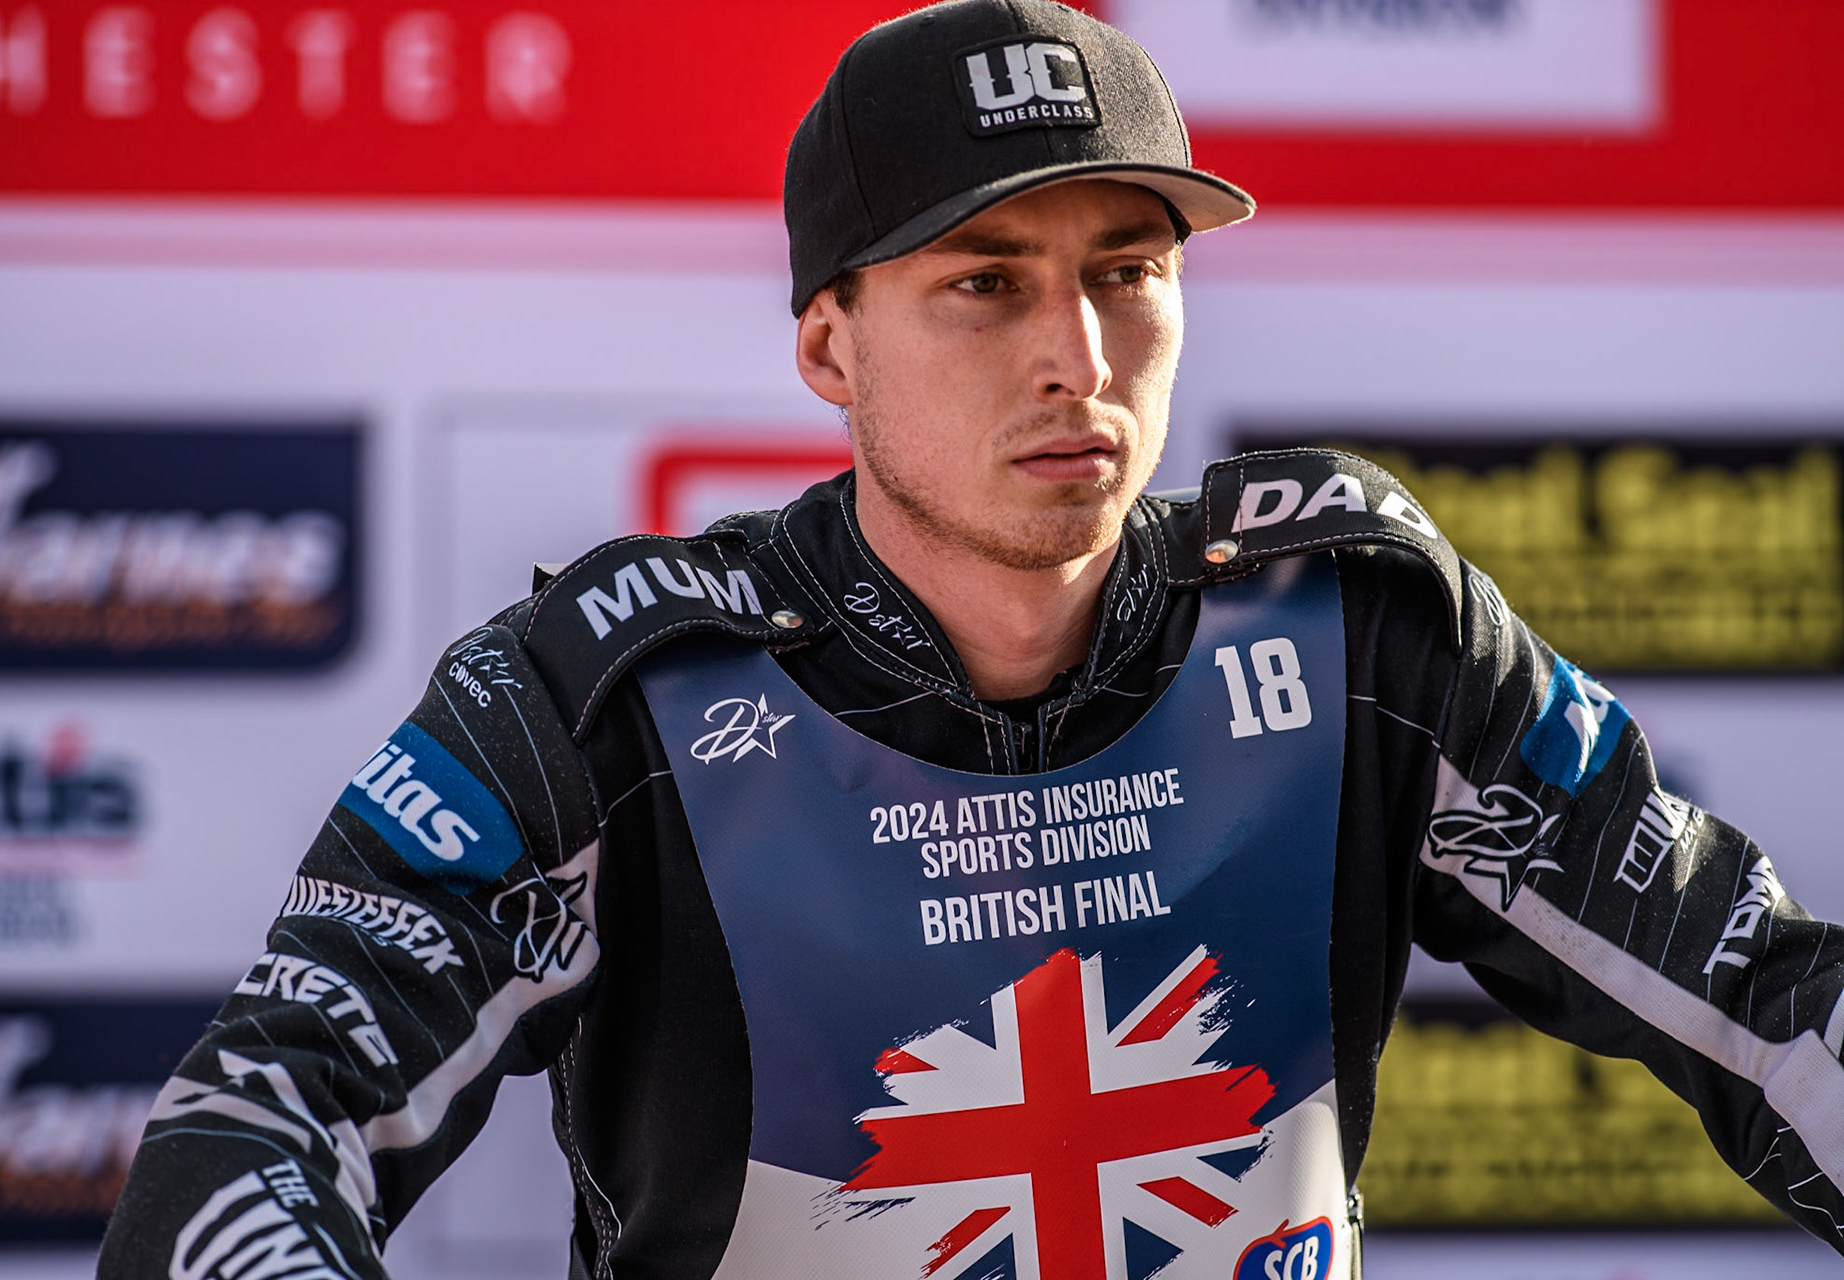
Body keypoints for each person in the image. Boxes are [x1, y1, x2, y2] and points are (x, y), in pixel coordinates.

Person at [101, 2, 1844, 1277]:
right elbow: (253, 1135)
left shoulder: (1360, 623)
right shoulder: (603, 694)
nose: (1076, 353)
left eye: (1129, 268)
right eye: (985, 281)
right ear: (828, 347)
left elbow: (1771, 1008)